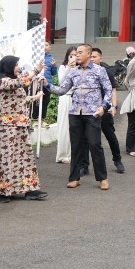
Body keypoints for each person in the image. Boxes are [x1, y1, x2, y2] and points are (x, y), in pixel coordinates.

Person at [50, 42, 112, 189]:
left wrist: (104, 107)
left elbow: (108, 90)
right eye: (76, 53)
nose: (76, 55)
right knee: (76, 145)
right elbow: (62, 90)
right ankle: (74, 178)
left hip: (93, 113)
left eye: (79, 53)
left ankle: (102, 178)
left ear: (88, 54)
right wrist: (46, 84)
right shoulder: (73, 71)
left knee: (94, 144)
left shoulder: (99, 70)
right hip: (75, 112)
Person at [0, 55, 47, 200]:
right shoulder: (1, 80)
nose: (18, 68)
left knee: (23, 157)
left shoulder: (12, 80)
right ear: (8, 66)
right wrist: (36, 70)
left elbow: (18, 100)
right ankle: (2, 190)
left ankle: (29, 189)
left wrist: (34, 97)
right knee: (5, 158)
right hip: (4, 128)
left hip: (19, 126)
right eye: (16, 65)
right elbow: (19, 83)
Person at [82, 47, 125, 175]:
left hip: (104, 109)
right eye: (91, 56)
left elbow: (112, 90)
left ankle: (117, 160)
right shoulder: (84, 71)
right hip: (88, 110)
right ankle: (84, 165)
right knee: (86, 139)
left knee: (110, 136)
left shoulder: (106, 72)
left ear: (100, 58)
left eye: (94, 57)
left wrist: (114, 106)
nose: (92, 59)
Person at [55, 46, 78, 163]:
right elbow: (61, 83)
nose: (74, 58)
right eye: (71, 55)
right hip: (65, 97)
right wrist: (69, 67)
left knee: (75, 127)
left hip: (77, 99)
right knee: (64, 126)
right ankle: (63, 154)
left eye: (76, 55)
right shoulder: (63, 67)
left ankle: (73, 154)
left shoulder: (81, 68)